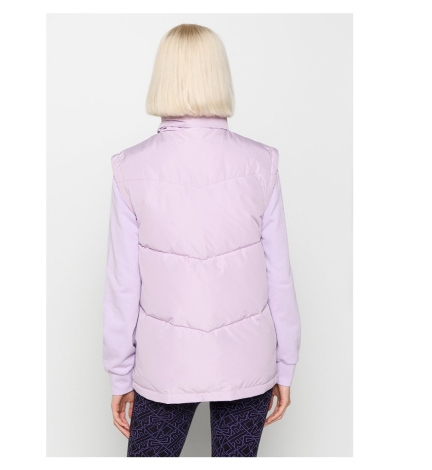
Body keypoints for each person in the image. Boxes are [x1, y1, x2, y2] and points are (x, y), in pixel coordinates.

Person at [103, 23, 301, 457]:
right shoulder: (261, 162)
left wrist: (120, 374)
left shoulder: (129, 167)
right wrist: (285, 364)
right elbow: (279, 275)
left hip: (165, 364)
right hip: (248, 360)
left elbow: (123, 284)